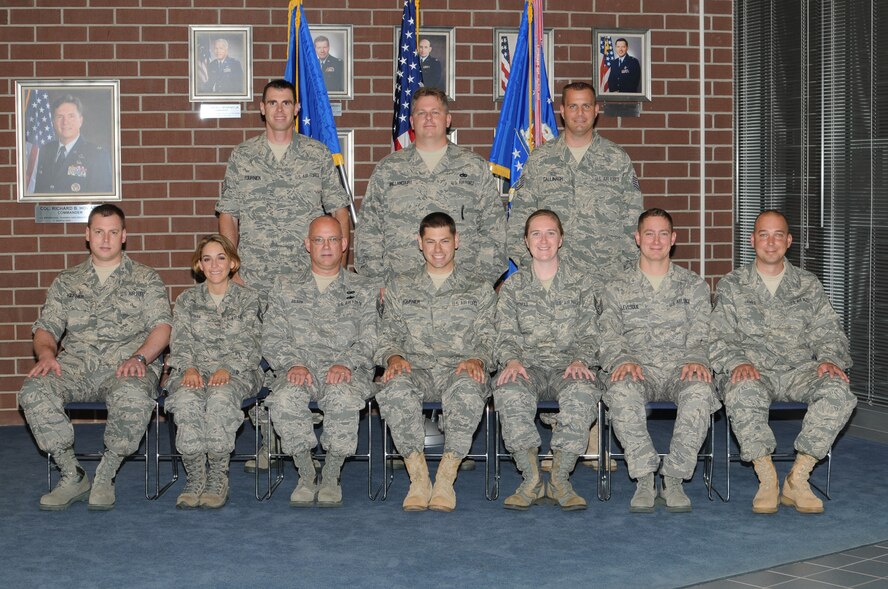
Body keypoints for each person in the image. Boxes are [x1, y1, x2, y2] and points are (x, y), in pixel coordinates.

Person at [217, 78, 351, 470]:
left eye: (286, 103)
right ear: (261, 108)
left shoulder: (316, 154)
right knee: (260, 356)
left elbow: (339, 208)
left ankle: (305, 436)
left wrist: (340, 256)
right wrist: (233, 265)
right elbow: (228, 213)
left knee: (305, 352)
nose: (279, 109)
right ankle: (267, 439)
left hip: (306, 278)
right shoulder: (243, 156)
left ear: (296, 110)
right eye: (272, 102)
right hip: (255, 279)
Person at [509, 80, 643, 468]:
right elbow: (519, 220)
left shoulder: (616, 160)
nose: (580, 113)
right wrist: (535, 271)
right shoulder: (541, 160)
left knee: (597, 353)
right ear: (561, 111)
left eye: (587, 106)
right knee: (556, 352)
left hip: (603, 281)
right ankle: (563, 438)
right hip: (554, 283)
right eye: (573, 107)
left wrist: (622, 281)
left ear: (596, 110)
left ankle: (592, 436)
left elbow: (632, 223)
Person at [18, 204, 172, 511]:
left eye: (113, 232)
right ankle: (71, 473)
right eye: (99, 232)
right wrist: (47, 354)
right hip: (77, 365)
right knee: (34, 389)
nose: (105, 239)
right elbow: (46, 328)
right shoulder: (67, 280)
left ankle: (105, 475)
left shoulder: (145, 279)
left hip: (127, 364)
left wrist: (141, 359)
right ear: (87, 235)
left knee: (133, 395)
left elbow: (162, 328)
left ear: (124, 236)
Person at [711, 210, 857, 515]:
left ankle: (798, 478)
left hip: (798, 371)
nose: (771, 242)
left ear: (788, 241)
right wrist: (737, 360)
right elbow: (717, 336)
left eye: (778, 235)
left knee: (838, 391)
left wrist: (830, 358)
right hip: (752, 370)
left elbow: (830, 332)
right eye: (763, 234)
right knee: (741, 390)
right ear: (752, 240)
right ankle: (767, 479)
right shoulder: (733, 284)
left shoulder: (807, 284)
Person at [599, 208, 720, 513]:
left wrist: (695, 357)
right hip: (637, 370)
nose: (656, 240)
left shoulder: (693, 285)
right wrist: (622, 357)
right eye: (649, 233)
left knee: (701, 391)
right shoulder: (616, 286)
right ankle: (644, 478)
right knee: (621, 390)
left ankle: (674, 478)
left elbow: (704, 332)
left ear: (673, 239)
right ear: (637, 238)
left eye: (663, 233)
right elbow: (607, 333)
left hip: (682, 369)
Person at [375, 212, 496, 512]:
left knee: (469, 389)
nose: (438, 249)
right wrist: (393, 357)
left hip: (460, 370)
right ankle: (418, 478)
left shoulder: (478, 287)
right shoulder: (400, 287)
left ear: (457, 241)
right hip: (415, 369)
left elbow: (490, 337)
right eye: (430, 242)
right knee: (393, 388)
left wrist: (477, 359)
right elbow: (386, 334)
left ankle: (445, 477)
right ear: (419, 243)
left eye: (444, 241)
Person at [262, 216, 379, 508]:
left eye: (332, 240)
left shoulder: (363, 288)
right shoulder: (285, 286)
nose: (326, 246)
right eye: (318, 240)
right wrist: (292, 364)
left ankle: (330, 474)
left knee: (342, 395)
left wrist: (347, 363)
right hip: (299, 370)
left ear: (344, 245)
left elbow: (373, 338)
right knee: (285, 399)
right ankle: (305, 472)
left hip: (346, 372)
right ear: (307, 245)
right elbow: (272, 337)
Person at [494, 210, 603, 512]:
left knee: (582, 391)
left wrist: (582, 358)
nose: (543, 240)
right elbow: (502, 333)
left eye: (550, 233)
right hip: (526, 367)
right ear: (526, 243)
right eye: (536, 234)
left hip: (569, 367)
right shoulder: (513, 288)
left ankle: (559, 479)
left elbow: (593, 331)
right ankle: (530, 480)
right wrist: (512, 360)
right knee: (508, 390)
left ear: (561, 239)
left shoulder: (582, 283)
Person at [355, 87, 506, 286]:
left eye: (435, 112)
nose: (428, 118)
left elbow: (494, 230)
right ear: (411, 121)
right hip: (401, 291)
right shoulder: (388, 169)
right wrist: (378, 284)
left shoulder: (473, 167)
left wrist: (481, 284)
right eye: (421, 113)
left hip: (463, 292)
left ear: (448, 119)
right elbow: (368, 233)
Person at [165, 235, 262, 509]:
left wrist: (226, 368)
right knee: (186, 400)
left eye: (221, 257)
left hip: (238, 373)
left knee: (220, 399)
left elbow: (251, 343)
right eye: (207, 259)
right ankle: (195, 476)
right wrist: (190, 367)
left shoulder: (248, 298)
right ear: (199, 265)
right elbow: (180, 341)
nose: (214, 264)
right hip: (191, 371)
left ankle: (218, 477)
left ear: (233, 262)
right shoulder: (187, 300)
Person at [32, 95, 113, 195]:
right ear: (53, 122)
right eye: (60, 117)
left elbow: (101, 198)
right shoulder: (44, 151)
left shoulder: (97, 155)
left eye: (71, 116)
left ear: (80, 121)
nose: (65, 122)